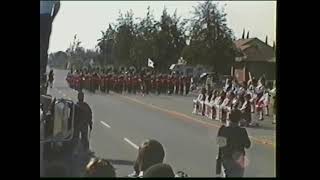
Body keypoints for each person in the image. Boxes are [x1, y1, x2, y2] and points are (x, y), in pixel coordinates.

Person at [216, 109, 251, 177]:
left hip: (226, 158)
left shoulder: (223, 129)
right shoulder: (242, 131)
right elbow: (248, 145)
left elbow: (220, 145)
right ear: (239, 119)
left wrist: (219, 158)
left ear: (229, 117)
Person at [40, 1, 60, 83]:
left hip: (45, 17)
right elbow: (57, 4)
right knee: (44, 47)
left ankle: (42, 71)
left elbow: (58, 4)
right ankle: (42, 71)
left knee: (44, 47)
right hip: (46, 18)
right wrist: (52, 17)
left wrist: (52, 18)